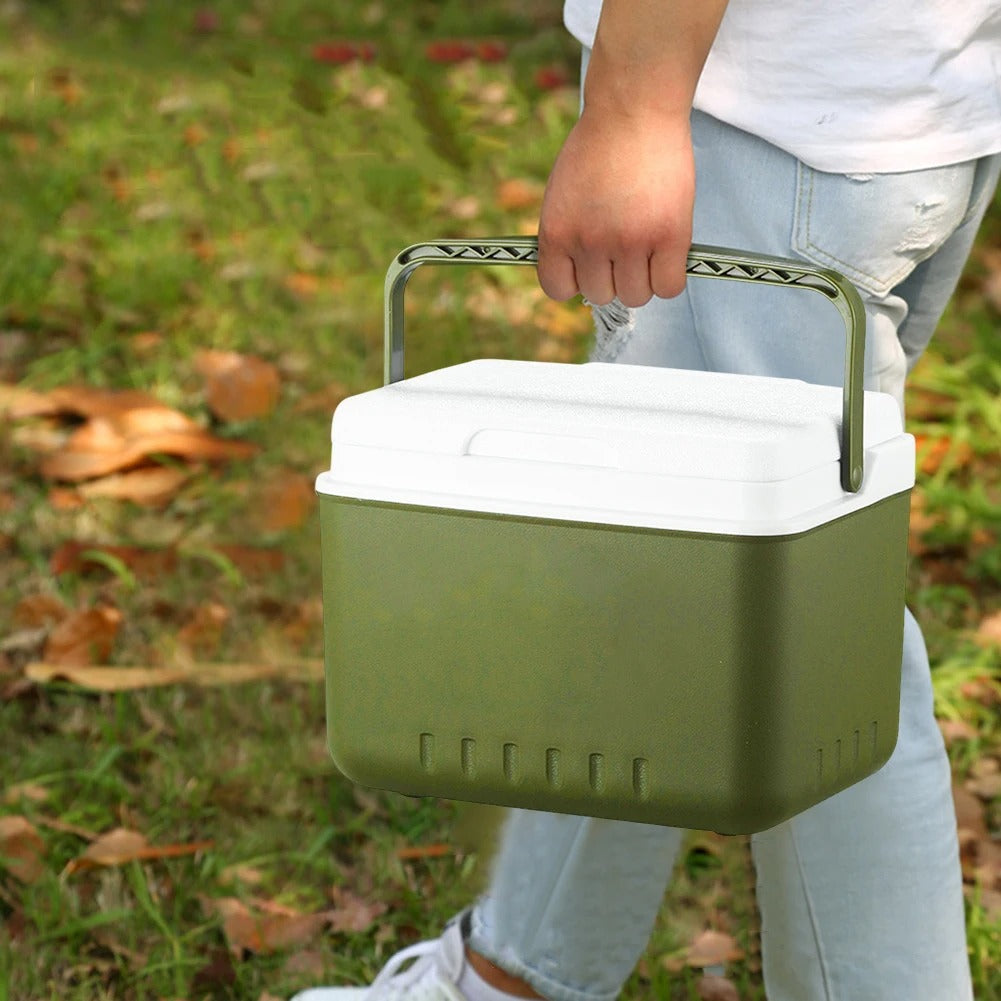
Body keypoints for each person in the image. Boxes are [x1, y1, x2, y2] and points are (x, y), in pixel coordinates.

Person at [294, 2, 1001, 999]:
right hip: (899, 118)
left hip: (762, 125)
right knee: (684, 595)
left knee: (797, 627)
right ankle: (511, 974)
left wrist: (633, 109)